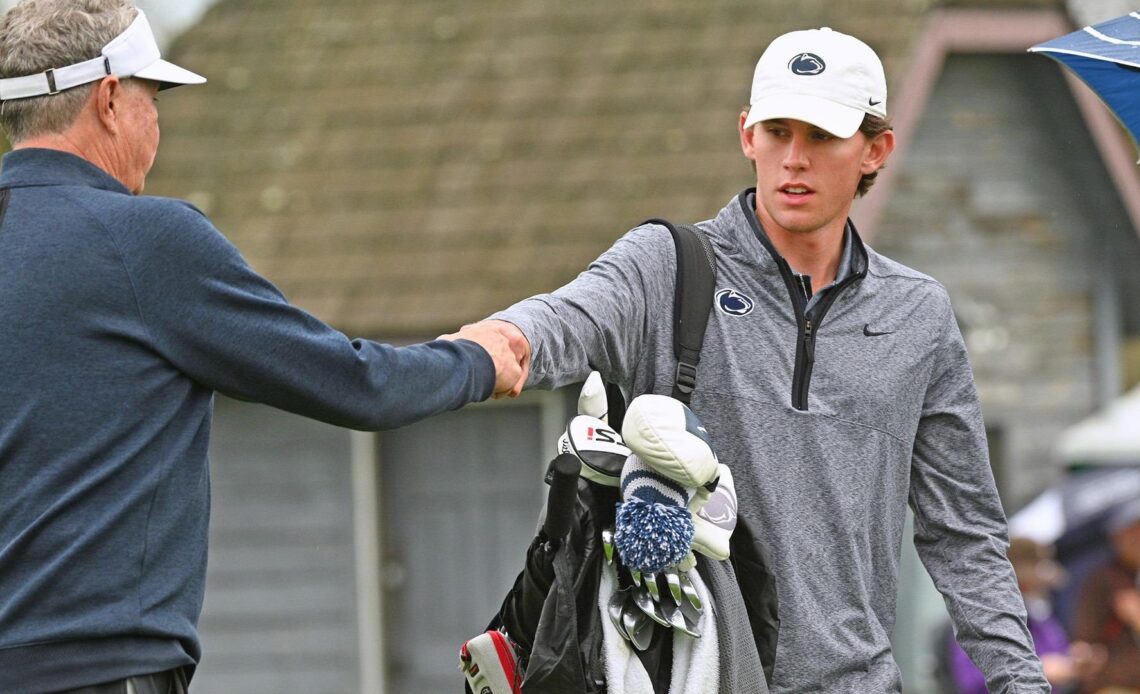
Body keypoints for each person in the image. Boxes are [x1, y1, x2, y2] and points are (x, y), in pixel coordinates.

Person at [476, 27, 1050, 692]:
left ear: (875, 150)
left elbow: (966, 537)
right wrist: (500, 341)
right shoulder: (668, 269)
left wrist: (1023, 684)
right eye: (778, 131)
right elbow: (560, 320)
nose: (793, 159)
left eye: (822, 136)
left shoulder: (919, 317)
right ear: (747, 134)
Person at [0, 1, 524, 692]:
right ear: (108, 100)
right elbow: (355, 383)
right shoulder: (145, 243)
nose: (156, 124)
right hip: (99, 671)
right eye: (152, 99)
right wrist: (476, 360)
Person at [946, 537, 1106, 694]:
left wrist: (1074, 660)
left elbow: (1057, 652)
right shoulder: (980, 621)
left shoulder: (1039, 614)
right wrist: (1037, 671)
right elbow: (972, 684)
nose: (1042, 589)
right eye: (1035, 583)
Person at [1072, 499, 1140, 693]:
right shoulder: (1103, 580)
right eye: (1133, 532)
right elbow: (1084, 640)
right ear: (1117, 537)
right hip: (1114, 686)